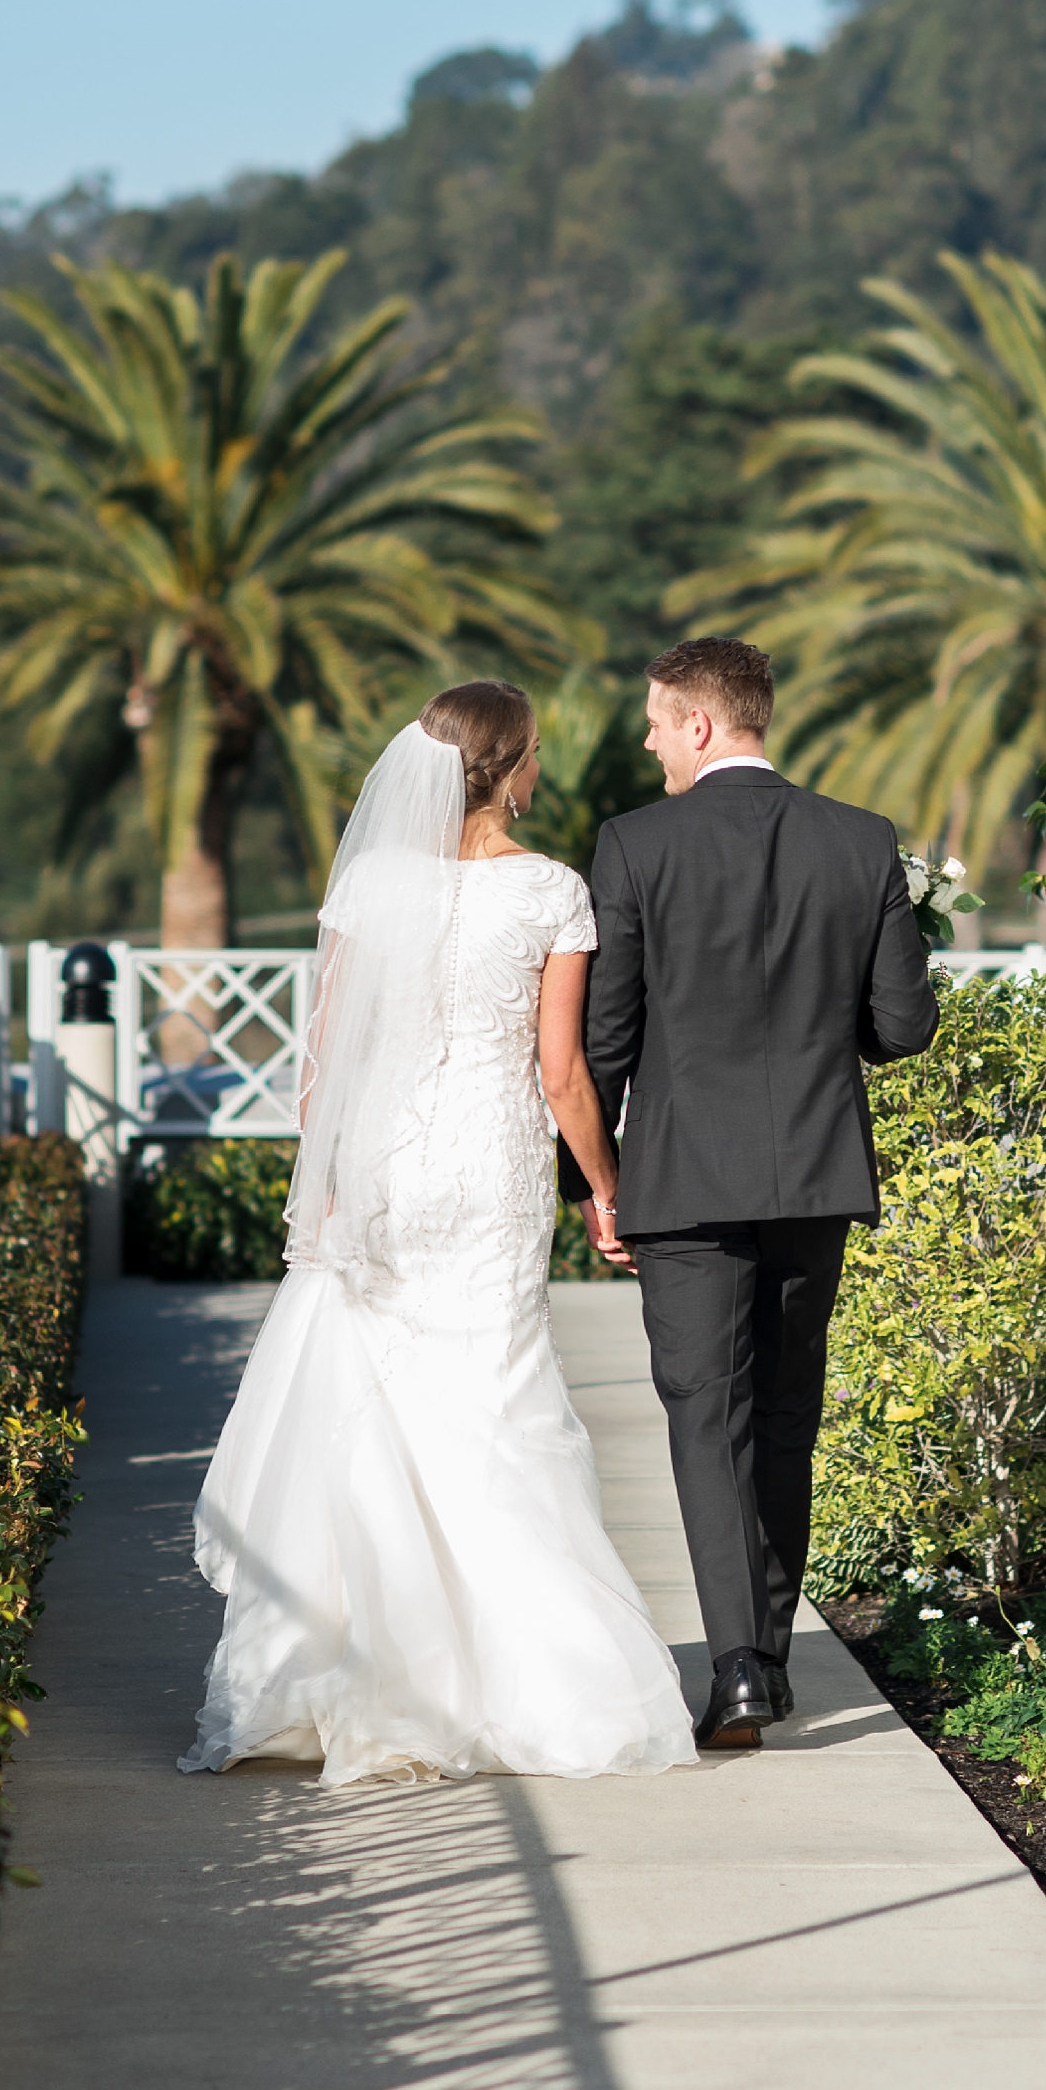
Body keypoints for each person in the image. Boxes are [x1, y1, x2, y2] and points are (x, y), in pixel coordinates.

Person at [180, 681, 695, 1787]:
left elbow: (320, 1054)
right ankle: (530, 1687)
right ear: (509, 768)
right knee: (497, 1396)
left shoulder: (368, 882)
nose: (543, 768)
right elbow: (561, 1074)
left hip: (379, 1166)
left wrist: (318, 1182)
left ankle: (348, 1677)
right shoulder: (553, 890)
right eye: (538, 752)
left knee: (372, 1406)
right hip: (489, 1169)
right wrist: (605, 1187)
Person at [572, 637, 939, 1750]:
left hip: (680, 1182)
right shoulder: (862, 839)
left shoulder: (633, 845)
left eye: (652, 718)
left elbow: (606, 1035)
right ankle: (766, 1659)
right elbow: (905, 1026)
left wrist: (595, 1181)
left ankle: (735, 1664)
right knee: (784, 1414)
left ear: (697, 723)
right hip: (817, 1174)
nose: (644, 738)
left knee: (706, 1416)